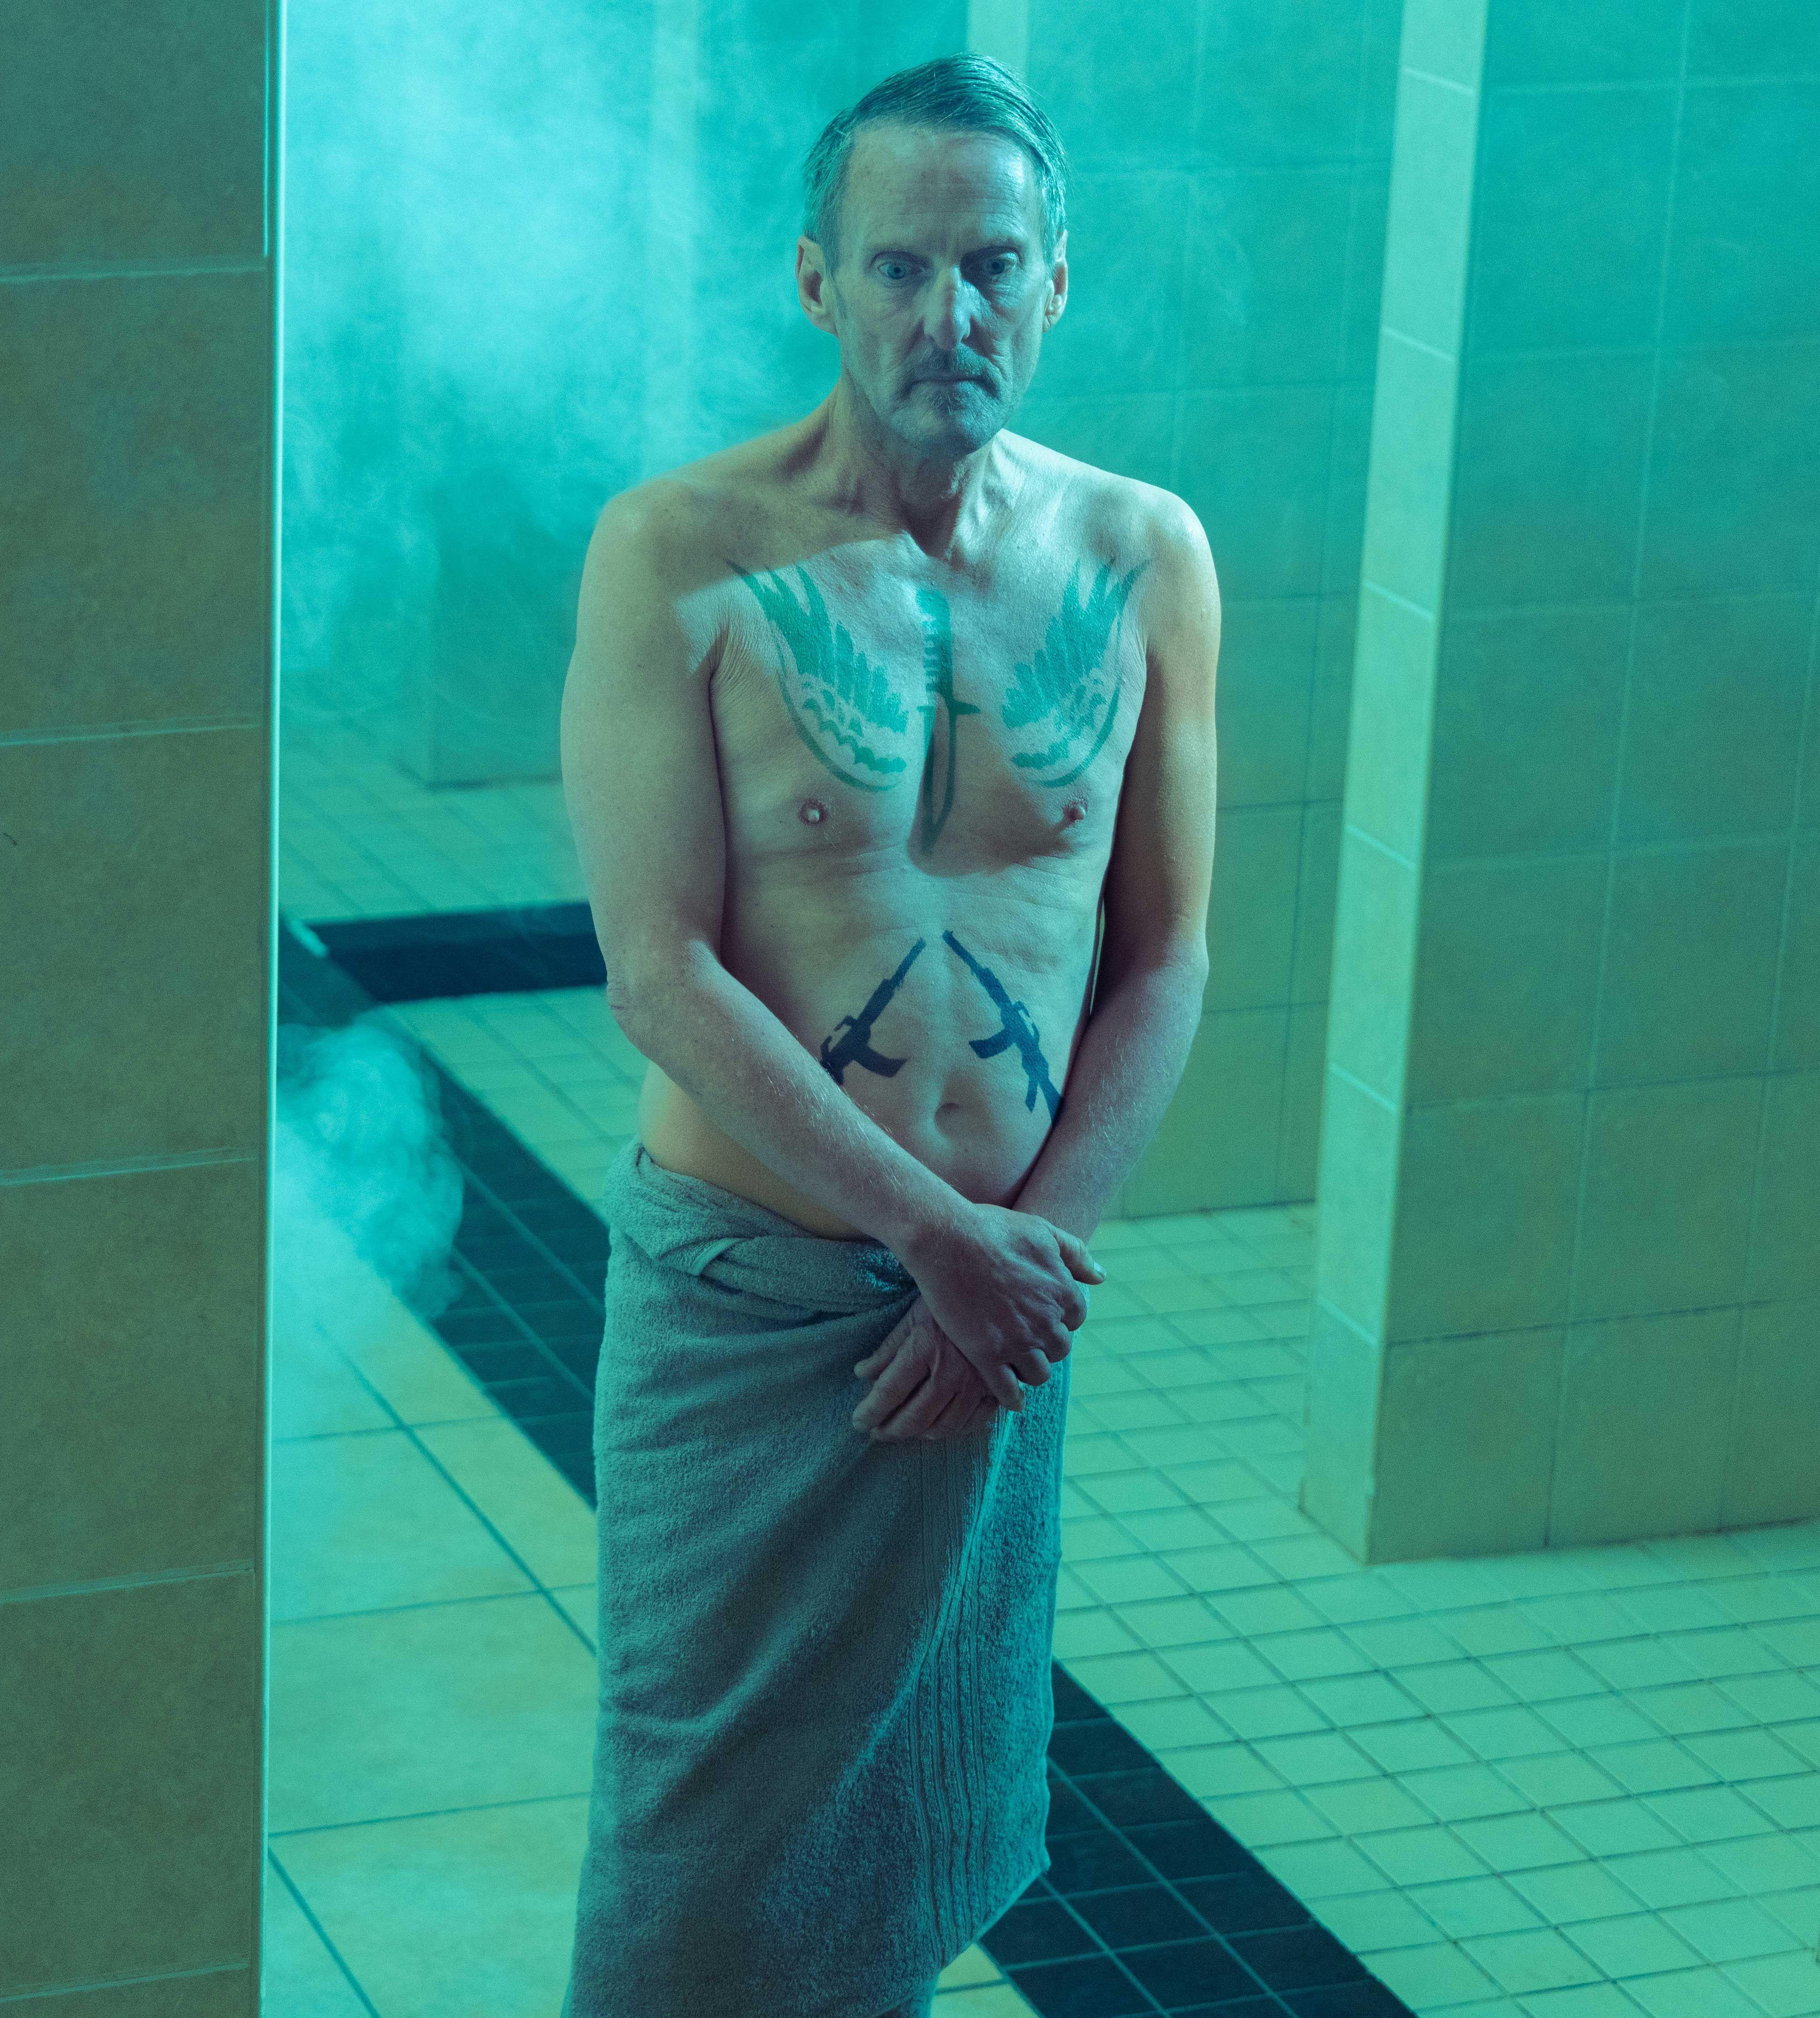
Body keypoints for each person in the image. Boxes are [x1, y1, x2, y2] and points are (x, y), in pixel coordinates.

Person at [554, 53, 1218, 2018]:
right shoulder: (681, 553)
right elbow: (658, 967)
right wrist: (939, 1238)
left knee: (893, 1850)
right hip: (757, 1306)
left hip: (1000, 1315)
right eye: (906, 267)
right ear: (818, 283)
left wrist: (1026, 1267)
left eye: (995, 265)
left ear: (1059, 283)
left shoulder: (1139, 555)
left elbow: (1167, 957)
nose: (956, 314)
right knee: (696, 1867)